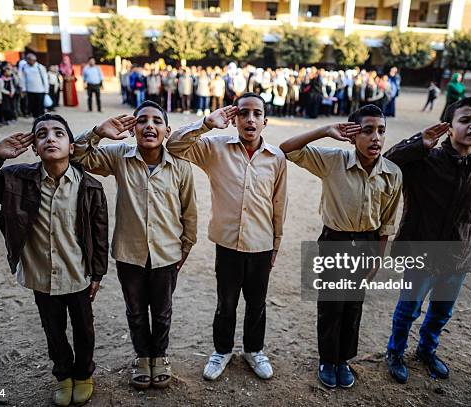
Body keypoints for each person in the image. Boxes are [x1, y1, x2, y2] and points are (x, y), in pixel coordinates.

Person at [0, 114, 109, 406]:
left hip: (77, 274)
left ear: (72, 147)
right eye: (41, 135)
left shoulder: (89, 186)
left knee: (84, 329)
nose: (50, 138)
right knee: (53, 330)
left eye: (58, 134)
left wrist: (98, 273)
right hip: (40, 274)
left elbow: (99, 234)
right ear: (34, 148)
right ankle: (63, 376)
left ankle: (84, 374)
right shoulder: (16, 181)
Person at [71, 101, 197, 390]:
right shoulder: (119, 157)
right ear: (133, 129)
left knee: (163, 311)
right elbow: (78, 156)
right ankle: (142, 356)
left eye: (156, 121)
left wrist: (186, 246)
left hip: (166, 254)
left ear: (167, 131)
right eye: (141, 120)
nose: (149, 125)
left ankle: (159, 356)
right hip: (129, 253)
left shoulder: (180, 165)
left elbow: (189, 210)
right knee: (136, 311)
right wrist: (98, 132)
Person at [279, 104, 402, 389]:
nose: (376, 138)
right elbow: (287, 149)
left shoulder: (392, 173)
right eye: (367, 131)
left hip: (368, 244)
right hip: (336, 241)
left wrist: (379, 259)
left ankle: (344, 359)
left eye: (381, 131)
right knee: (331, 305)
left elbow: (387, 222)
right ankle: (327, 359)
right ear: (351, 135)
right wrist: (324, 130)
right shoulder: (334, 161)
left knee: (353, 305)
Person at [166, 94, 288, 382]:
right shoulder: (215, 149)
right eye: (243, 113)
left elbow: (279, 204)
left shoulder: (276, 158)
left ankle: (254, 350)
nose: (250, 119)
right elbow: (174, 145)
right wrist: (206, 123)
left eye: (257, 114)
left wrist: (276, 243)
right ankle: (222, 351)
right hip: (228, 245)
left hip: (261, 244)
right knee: (226, 302)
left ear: (264, 121)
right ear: (234, 119)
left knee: (257, 303)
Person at [384, 97, 471, 384]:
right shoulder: (425, 161)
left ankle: (426, 350)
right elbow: (386, 163)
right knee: (408, 309)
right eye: (465, 120)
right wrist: (418, 143)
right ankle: (395, 352)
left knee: (440, 312)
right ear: (448, 128)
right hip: (422, 252)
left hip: (457, 256)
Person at [19, 53, 48, 118]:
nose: (27, 61)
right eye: (27, 60)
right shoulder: (25, 67)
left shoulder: (40, 67)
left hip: (40, 90)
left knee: (40, 106)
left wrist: (46, 90)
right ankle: (35, 118)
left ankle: (41, 118)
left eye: (29, 60)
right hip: (30, 90)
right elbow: (23, 78)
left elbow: (45, 78)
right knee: (32, 105)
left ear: (34, 60)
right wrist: (23, 89)